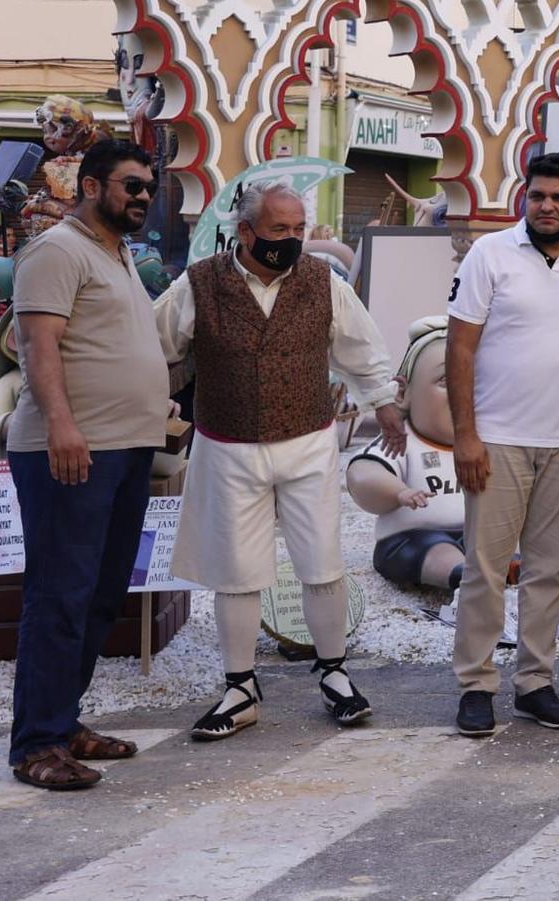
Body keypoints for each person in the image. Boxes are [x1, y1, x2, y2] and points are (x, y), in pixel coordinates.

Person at [155, 181, 406, 740]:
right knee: (236, 572)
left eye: (298, 230)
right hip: (227, 445)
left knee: (322, 562)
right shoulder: (198, 284)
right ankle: (240, 687)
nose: (291, 241)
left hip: (307, 442)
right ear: (245, 232)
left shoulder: (324, 281)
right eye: (277, 231)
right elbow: (155, 344)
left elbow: (362, 348)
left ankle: (335, 675)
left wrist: (385, 404)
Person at [447, 152, 559, 737]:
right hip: (497, 440)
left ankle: (535, 683)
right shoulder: (489, 254)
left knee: (550, 569)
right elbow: (460, 349)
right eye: (537, 196)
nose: (546, 206)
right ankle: (476, 685)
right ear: (524, 197)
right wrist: (465, 436)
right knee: (484, 568)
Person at [4, 140, 168, 790]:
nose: (143, 197)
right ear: (92, 185)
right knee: (58, 596)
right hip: (71, 451)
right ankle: (35, 744)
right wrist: (63, 426)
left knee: (100, 595)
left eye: (149, 187)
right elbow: (37, 344)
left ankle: (62, 721)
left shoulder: (118, 252)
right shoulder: (56, 250)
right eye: (131, 185)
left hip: (124, 450)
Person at [346, 317, 467, 592]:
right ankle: (461, 576)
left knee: (498, 544)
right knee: (433, 551)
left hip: (475, 533)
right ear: (401, 393)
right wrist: (398, 492)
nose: (465, 395)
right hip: (412, 537)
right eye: (447, 381)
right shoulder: (401, 442)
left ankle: (506, 571)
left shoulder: (484, 444)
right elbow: (362, 474)